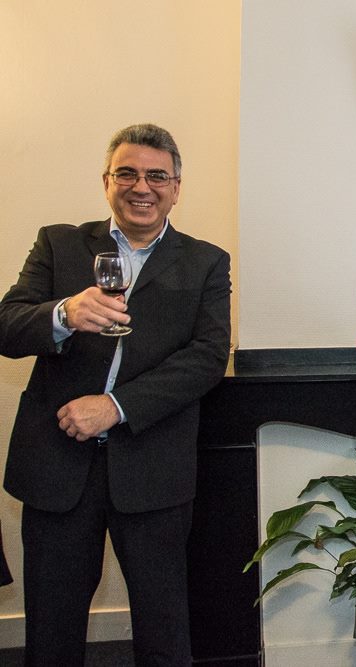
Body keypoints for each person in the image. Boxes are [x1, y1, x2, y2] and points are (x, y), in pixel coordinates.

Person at [0, 124, 232, 665]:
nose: (141, 186)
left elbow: (207, 357)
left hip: (154, 469)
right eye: (126, 173)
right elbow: (7, 325)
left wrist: (115, 407)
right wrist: (63, 314)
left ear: (176, 188)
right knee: (51, 633)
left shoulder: (206, 261)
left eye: (156, 176)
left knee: (164, 632)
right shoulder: (58, 243)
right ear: (106, 181)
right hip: (57, 466)